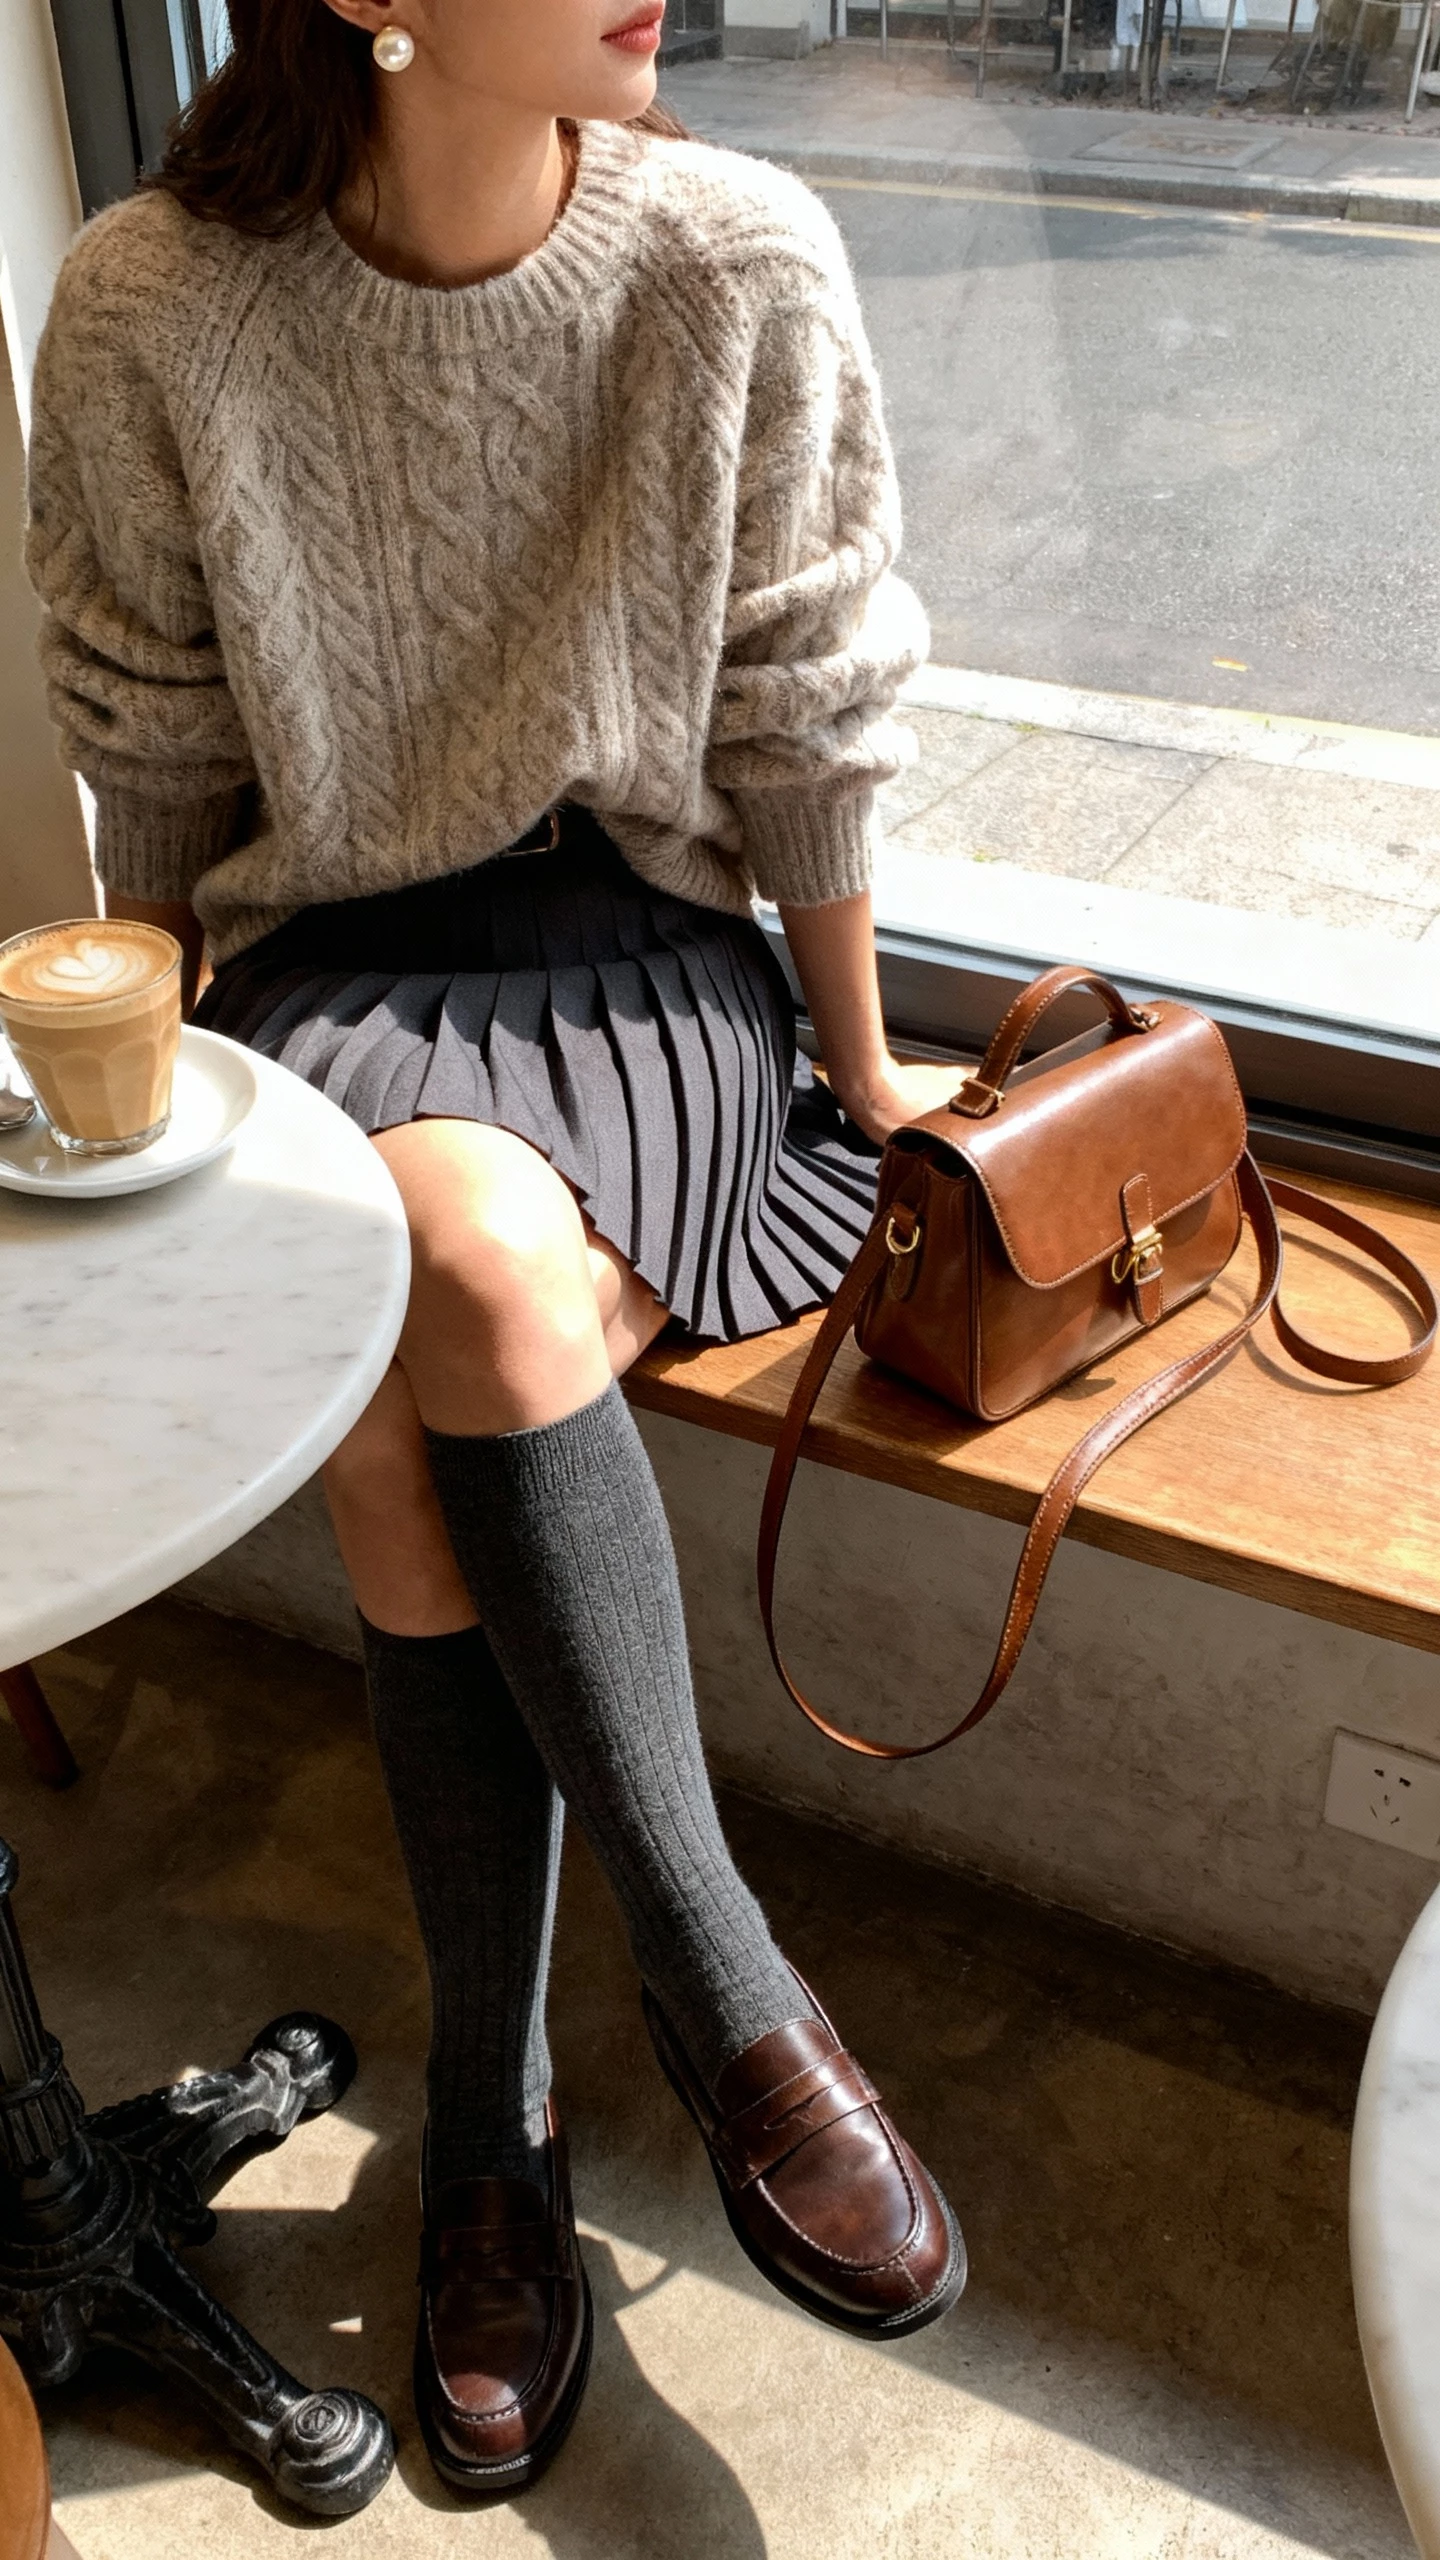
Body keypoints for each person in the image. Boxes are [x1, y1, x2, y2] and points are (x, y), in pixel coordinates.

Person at [25, 0, 967, 2502]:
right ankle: (708, 1989)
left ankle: (505, 2102)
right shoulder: (147, 303)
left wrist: (867, 1079)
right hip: (330, 973)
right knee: (429, 1290)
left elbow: (808, 698)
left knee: (436, 1296)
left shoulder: (737, 255)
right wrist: (177, 1091)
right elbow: (153, 742)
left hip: (640, 967)